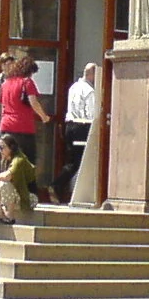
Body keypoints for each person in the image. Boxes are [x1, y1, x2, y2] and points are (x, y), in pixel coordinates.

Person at [0, 54, 52, 165]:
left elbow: (2, 105)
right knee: (27, 161)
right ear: (29, 71)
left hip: (5, 126)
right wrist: (44, 117)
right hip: (22, 127)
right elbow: (34, 102)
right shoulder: (27, 82)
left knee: (8, 160)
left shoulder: (5, 84)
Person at [56, 63, 97, 203]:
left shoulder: (73, 87)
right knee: (78, 161)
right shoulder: (90, 91)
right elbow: (91, 113)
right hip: (82, 126)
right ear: (92, 74)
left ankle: (64, 189)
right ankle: (58, 185)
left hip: (70, 126)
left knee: (72, 159)